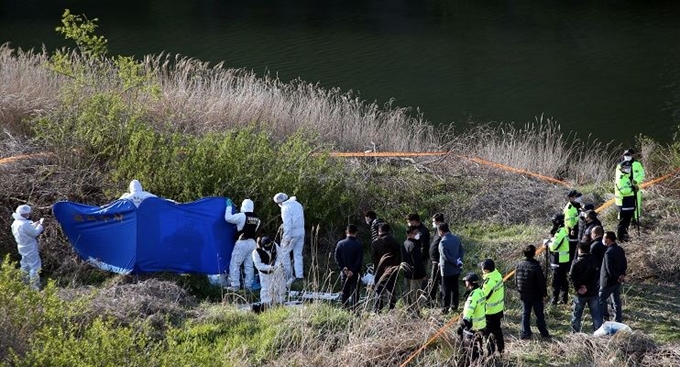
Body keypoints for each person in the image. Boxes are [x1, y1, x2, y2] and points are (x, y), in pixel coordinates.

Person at [224, 198, 261, 290]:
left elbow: (228, 218)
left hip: (242, 242)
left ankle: (235, 285)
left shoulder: (242, 216)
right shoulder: (257, 219)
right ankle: (248, 285)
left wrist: (228, 207)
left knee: (235, 264)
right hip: (252, 242)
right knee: (249, 265)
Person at [515, 245, 550, 340]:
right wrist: (544, 294)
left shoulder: (519, 265)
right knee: (539, 314)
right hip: (536, 295)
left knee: (525, 314)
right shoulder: (536, 266)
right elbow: (541, 282)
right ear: (534, 253)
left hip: (524, 294)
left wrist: (519, 290)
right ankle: (543, 333)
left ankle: (525, 333)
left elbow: (516, 280)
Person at [273, 192, 305, 286]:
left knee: (284, 254)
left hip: (292, 234)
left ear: (279, 202)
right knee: (298, 254)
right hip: (301, 231)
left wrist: (286, 238)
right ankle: (300, 276)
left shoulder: (285, 208)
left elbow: (288, 224)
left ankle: (289, 276)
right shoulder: (297, 204)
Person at [570, 242, 602, 333]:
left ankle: (574, 333)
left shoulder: (575, 262)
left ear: (580, 250)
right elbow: (596, 277)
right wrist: (587, 287)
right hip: (593, 292)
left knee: (576, 315)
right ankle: (599, 333)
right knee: (596, 315)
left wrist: (579, 287)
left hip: (580, 294)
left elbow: (572, 277)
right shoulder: (595, 261)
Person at [11, 205, 45, 290]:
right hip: (30, 247)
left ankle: (24, 283)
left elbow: (27, 230)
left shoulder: (15, 223)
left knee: (24, 265)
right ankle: (35, 287)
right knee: (35, 266)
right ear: (25, 214)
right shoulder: (25, 224)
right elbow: (35, 233)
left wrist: (34, 224)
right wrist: (40, 225)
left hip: (21, 246)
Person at [457, 272, 487, 363]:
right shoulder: (480, 292)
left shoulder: (472, 297)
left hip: (472, 327)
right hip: (481, 325)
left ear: (469, 283)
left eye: (466, 281)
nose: (465, 282)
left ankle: (472, 362)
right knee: (479, 345)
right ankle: (480, 360)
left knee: (470, 348)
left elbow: (468, 315)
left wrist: (461, 326)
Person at [371, 223, 402, 312]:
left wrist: (382, 267)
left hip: (380, 270)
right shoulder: (395, 241)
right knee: (391, 289)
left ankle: (378, 309)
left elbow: (374, 258)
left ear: (379, 231)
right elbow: (398, 257)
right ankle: (392, 308)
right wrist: (390, 267)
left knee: (379, 290)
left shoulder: (375, 242)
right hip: (392, 270)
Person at [599, 231, 627, 323]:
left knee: (601, 299)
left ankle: (604, 317)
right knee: (616, 301)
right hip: (617, 281)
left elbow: (609, 269)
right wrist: (621, 275)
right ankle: (618, 319)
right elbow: (624, 264)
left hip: (608, 281)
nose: (603, 240)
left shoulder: (608, 252)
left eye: (604, 238)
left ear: (608, 239)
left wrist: (616, 277)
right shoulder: (620, 249)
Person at [334, 224, 363, 310]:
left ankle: (344, 309)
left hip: (344, 272)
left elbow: (337, 258)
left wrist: (343, 268)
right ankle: (355, 310)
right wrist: (353, 270)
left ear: (346, 232)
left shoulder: (340, 244)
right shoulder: (358, 245)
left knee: (344, 292)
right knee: (355, 292)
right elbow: (359, 260)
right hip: (355, 272)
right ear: (356, 232)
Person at [252, 236, 286, 309]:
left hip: (276, 269)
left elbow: (280, 256)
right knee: (266, 288)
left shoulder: (275, 245)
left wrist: (276, 266)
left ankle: (280, 302)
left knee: (280, 286)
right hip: (265, 272)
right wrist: (269, 268)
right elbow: (259, 265)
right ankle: (266, 303)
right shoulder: (256, 252)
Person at [480, 259, 505, 354]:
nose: (481, 270)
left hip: (489, 312)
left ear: (486, 270)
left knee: (488, 334)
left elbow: (482, 298)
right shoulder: (497, 275)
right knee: (498, 330)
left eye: (482, 268)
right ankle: (501, 349)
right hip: (498, 309)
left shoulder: (488, 283)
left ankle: (490, 353)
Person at [438, 223, 464, 314]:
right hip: (456, 269)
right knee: (455, 288)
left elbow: (445, 256)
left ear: (440, 231)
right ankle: (454, 306)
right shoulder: (456, 238)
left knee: (446, 290)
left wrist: (454, 261)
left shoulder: (442, 242)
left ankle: (445, 308)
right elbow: (461, 250)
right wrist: (458, 261)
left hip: (446, 270)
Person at [545, 213, 570, 305]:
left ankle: (554, 300)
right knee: (563, 280)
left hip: (558, 260)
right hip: (563, 260)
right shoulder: (564, 230)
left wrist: (548, 244)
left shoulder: (560, 232)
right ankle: (564, 299)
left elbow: (554, 246)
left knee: (556, 282)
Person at [401, 226, 426, 313]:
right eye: (415, 233)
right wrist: (423, 275)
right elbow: (418, 262)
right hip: (416, 274)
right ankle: (415, 313)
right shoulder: (414, 245)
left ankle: (409, 310)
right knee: (416, 294)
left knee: (408, 293)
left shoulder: (405, 243)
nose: (417, 235)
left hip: (407, 272)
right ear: (410, 234)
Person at [616, 148, 645, 224]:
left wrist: (636, 181)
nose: (627, 156)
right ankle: (622, 219)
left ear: (632, 155)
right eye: (626, 155)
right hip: (625, 189)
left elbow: (641, 174)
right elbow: (619, 178)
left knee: (636, 203)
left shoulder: (637, 164)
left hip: (635, 188)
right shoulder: (620, 165)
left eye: (629, 155)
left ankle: (634, 219)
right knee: (623, 205)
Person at [407, 213, 430, 290]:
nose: (409, 224)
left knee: (422, 275)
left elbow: (424, 246)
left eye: (411, 222)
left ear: (415, 221)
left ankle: (424, 291)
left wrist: (421, 258)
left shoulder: (424, 231)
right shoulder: (412, 228)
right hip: (412, 257)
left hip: (421, 257)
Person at [614, 161, 636, 242]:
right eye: (626, 168)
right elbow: (624, 190)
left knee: (627, 221)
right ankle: (621, 237)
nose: (628, 169)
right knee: (623, 222)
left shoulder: (627, 177)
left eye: (629, 167)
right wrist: (632, 188)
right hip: (623, 203)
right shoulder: (621, 178)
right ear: (622, 168)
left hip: (628, 202)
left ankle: (625, 235)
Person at [427, 213, 445, 306]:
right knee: (433, 281)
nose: (432, 223)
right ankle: (432, 301)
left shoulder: (442, 231)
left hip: (438, 262)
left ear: (438, 221)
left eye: (433, 221)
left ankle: (433, 302)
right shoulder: (436, 231)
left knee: (436, 282)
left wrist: (438, 260)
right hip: (434, 261)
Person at [564, 190, 583, 262]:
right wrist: (574, 228)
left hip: (578, 230)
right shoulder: (569, 209)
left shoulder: (577, 205)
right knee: (573, 252)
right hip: (572, 234)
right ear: (571, 198)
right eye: (576, 197)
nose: (579, 198)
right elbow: (570, 223)